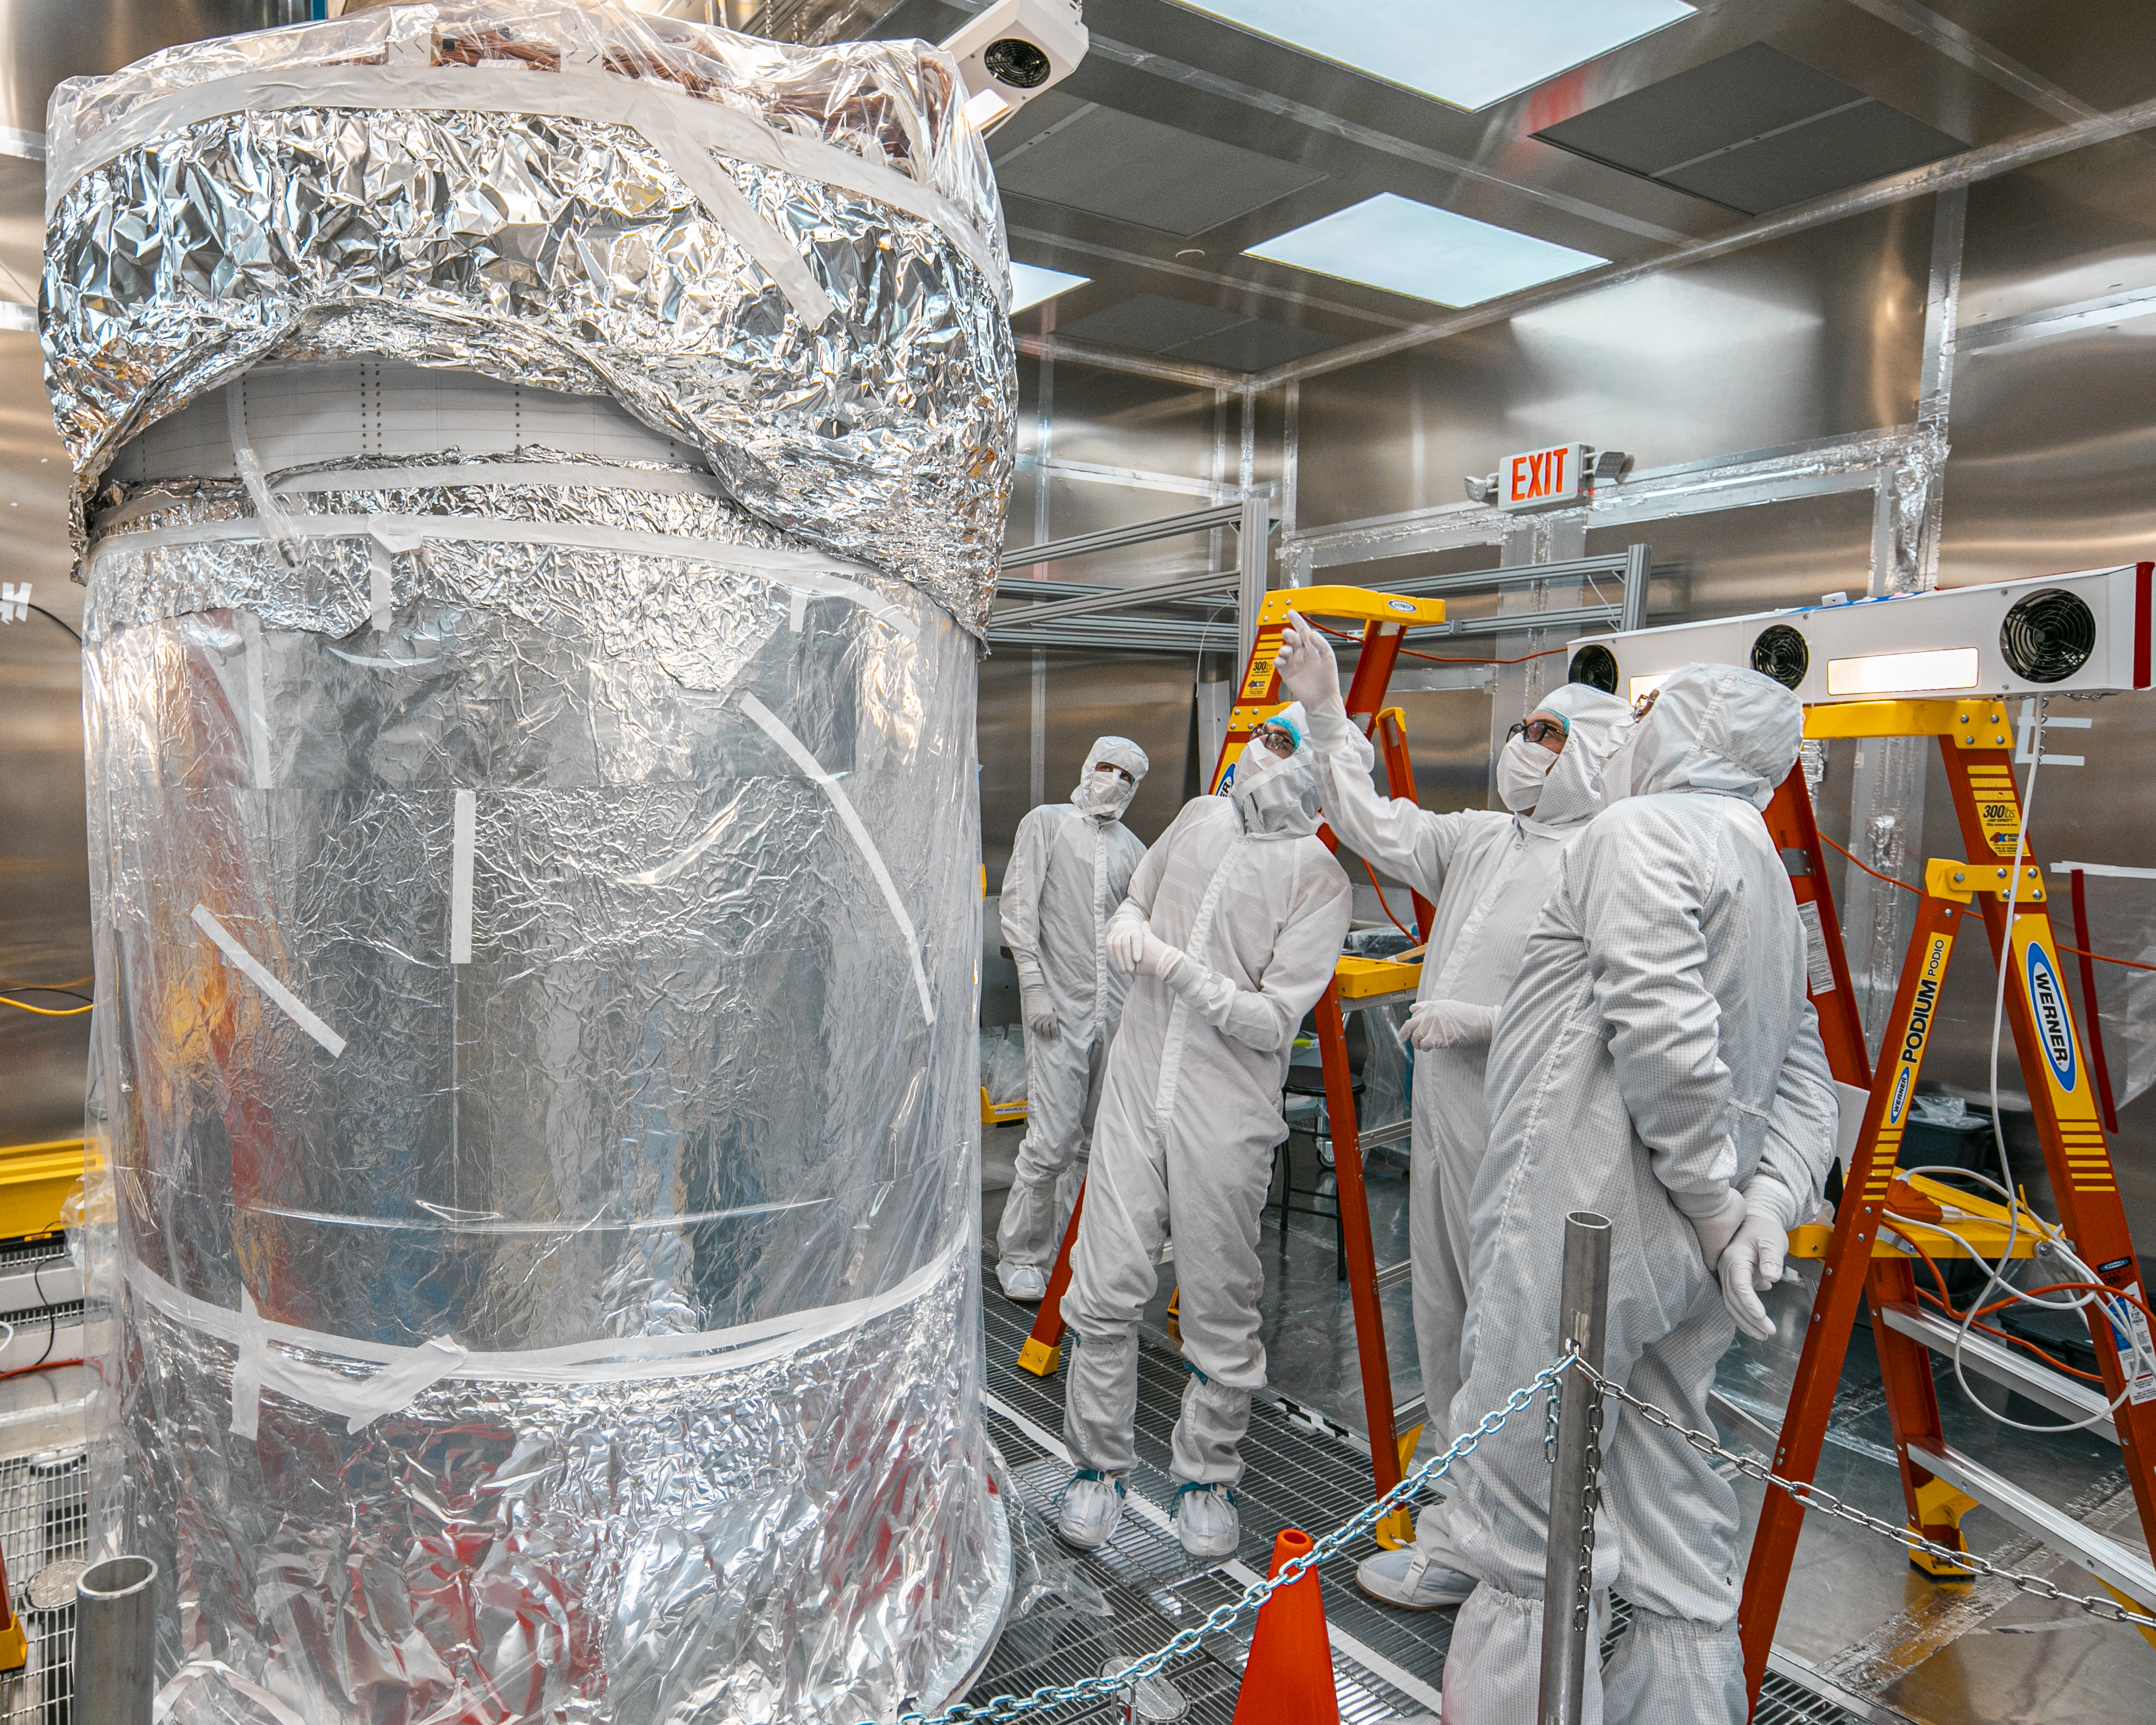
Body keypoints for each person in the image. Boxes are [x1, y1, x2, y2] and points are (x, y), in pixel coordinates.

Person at [1438, 663, 1838, 1724]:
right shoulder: (1765, 870)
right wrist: (1763, 1206)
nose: (1635, 727)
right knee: (1670, 1501)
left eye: (1656, 709)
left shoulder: (1638, 833)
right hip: (1690, 1258)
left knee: (1530, 1515)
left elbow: (1663, 1039)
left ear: (1696, 727)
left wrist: (1715, 1197)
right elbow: (1806, 1072)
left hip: (1584, 1230)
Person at [1272, 613, 1631, 1611]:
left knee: (1515, 1332)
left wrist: (1488, 1021)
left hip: (1535, 1134)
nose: (1527, 746)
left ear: (1597, 757)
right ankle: (1459, 1508)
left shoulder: (1608, 861)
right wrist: (1324, 708)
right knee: (1444, 1312)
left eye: (1550, 735)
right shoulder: (1481, 839)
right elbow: (1373, 823)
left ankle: (1483, 1544)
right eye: (1528, 729)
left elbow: (1616, 1003)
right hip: (1446, 1120)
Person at [1054, 704, 1353, 1559]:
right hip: (1135, 1088)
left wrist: (1178, 968)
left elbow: (1271, 1021)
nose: (1262, 751)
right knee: (1105, 1284)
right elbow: (1132, 907)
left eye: (1286, 743)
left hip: (1226, 1116)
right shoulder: (1198, 816)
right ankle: (1098, 1467)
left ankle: (1206, 1475)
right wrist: (1127, 935)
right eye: (1264, 734)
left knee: (1221, 1302)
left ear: (1323, 771)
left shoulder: (1317, 879)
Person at [995, 737, 1153, 1302]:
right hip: (1057, 1013)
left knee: (1093, 1144)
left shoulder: (1134, 849)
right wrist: (1034, 986)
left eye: (1126, 776)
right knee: (1051, 1140)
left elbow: (1137, 928)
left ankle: (1069, 1251)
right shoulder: (1047, 823)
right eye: (1106, 767)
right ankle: (1021, 1253)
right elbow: (1017, 908)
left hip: (1113, 1012)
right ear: (1086, 765)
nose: (1112, 780)